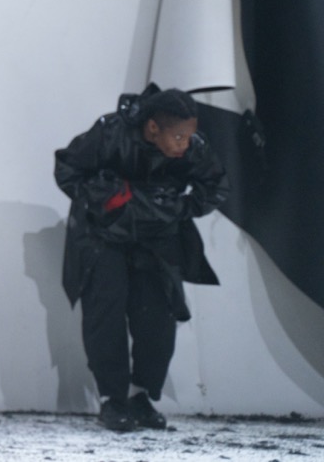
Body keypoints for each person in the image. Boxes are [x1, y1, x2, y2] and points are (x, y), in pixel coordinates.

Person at [55, 85, 229, 432]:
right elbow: (68, 169)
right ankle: (112, 400)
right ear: (153, 128)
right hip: (104, 237)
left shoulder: (192, 148)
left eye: (189, 135)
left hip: (157, 240)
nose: (185, 144)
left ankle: (139, 397)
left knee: (158, 319)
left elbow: (216, 186)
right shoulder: (110, 132)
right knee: (105, 314)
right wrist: (106, 198)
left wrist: (177, 207)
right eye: (178, 137)